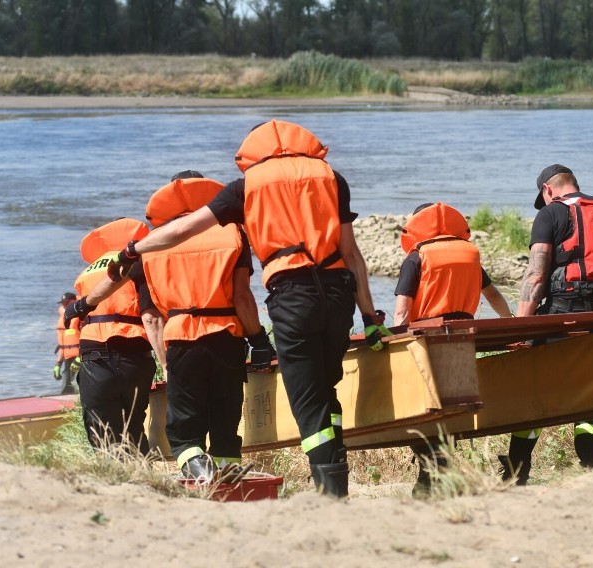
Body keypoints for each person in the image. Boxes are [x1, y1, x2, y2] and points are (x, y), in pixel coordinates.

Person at [77, 121, 388, 498]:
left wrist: (131, 251)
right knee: (319, 392)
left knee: (298, 403)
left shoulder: (244, 189)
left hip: (272, 304)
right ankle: (326, 480)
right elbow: (350, 255)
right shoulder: (330, 178)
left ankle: (326, 494)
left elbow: (156, 299)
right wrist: (370, 318)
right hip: (329, 297)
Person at [67, 172, 268, 480]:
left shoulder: (153, 243)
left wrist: (83, 306)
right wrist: (258, 338)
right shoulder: (233, 232)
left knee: (184, 430)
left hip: (180, 339)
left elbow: (115, 282)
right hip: (227, 336)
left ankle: (198, 472)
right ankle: (229, 480)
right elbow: (242, 296)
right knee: (225, 419)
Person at [500, 164, 593, 484]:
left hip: (562, 313)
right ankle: (591, 466)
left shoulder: (550, 214)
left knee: (534, 391)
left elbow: (537, 274)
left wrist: (522, 328)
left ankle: (517, 474)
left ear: (547, 190)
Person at [393, 202, 512, 497]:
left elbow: (401, 311)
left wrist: (393, 343)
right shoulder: (469, 254)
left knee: (422, 409)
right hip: (462, 339)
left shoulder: (416, 257)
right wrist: (509, 323)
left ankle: (431, 474)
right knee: (450, 410)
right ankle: (437, 473)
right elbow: (493, 294)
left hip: (426, 340)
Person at [71, 218, 163, 454]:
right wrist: (166, 362)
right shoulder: (141, 261)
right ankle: (142, 476)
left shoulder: (87, 272)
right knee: (133, 425)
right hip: (133, 354)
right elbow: (150, 317)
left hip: (94, 357)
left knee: (100, 431)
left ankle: (114, 479)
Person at [54, 292, 81, 394]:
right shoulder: (62, 320)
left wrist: (80, 357)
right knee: (66, 386)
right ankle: (66, 406)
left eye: (67, 302)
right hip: (67, 359)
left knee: (77, 384)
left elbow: (89, 340)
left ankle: (81, 406)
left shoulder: (81, 318)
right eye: (63, 303)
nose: (64, 305)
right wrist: (58, 364)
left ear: (74, 302)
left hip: (82, 359)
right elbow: (62, 346)